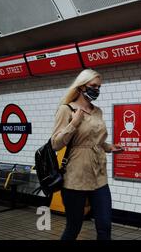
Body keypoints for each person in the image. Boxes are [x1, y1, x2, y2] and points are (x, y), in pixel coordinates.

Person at [51, 69, 123, 240]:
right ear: (82, 86)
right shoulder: (66, 109)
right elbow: (55, 144)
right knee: (74, 227)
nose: (96, 90)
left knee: (105, 226)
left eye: (99, 87)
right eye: (93, 86)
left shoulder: (97, 111)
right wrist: (73, 123)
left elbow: (93, 139)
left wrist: (107, 147)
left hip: (99, 176)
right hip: (76, 178)